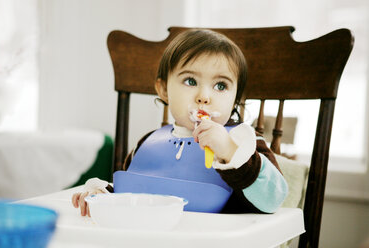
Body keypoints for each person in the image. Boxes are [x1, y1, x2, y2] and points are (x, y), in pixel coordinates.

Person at [72, 29, 288, 216]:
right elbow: (132, 197)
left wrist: (230, 152)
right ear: (164, 90)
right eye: (190, 81)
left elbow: (274, 199)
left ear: (235, 99)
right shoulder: (147, 144)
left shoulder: (244, 144)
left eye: (220, 86)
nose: (204, 96)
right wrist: (102, 196)